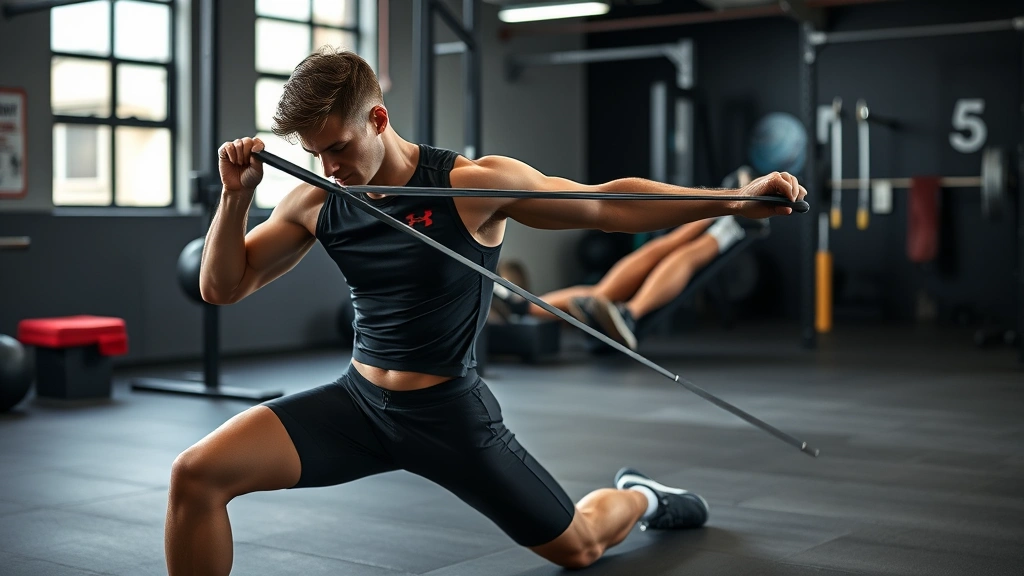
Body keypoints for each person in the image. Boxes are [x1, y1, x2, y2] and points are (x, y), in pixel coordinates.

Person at [165, 48, 806, 575]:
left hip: (449, 416)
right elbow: (224, 287)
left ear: (379, 119)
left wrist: (733, 200)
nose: (328, 166)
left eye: (336, 147)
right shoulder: (317, 200)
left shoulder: (468, 186)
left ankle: (641, 495)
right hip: (357, 406)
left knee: (578, 547)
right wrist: (234, 198)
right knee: (196, 475)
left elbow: (606, 204)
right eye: (314, 154)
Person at [492, 168, 756, 351]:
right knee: (670, 253)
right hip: (610, 320)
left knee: (664, 252)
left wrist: (728, 201)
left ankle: (723, 224)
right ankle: (725, 227)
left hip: (604, 309)